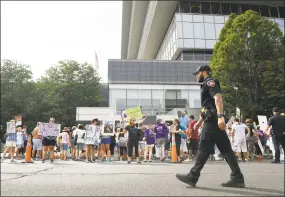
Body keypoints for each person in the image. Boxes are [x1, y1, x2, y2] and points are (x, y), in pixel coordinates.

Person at [176, 65, 245, 188]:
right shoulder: (205, 84)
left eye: (197, 73)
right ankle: (237, 177)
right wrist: (199, 122)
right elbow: (207, 107)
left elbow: (218, 98)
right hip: (211, 119)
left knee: (203, 148)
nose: (196, 76)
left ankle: (193, 176)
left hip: (212, 121)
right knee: (226, 150)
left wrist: (220, 116)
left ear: (204, 72)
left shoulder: (209, 82)